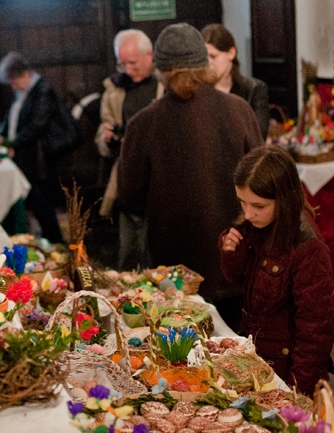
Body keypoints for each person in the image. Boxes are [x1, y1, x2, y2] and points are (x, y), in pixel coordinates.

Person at [117, 23, 264, 331]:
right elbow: (263, 179)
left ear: (161, 70)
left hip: (174, 274)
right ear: (203, 63)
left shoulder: (143, 123)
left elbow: (128, 196)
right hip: (235, 261)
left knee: (183, 354)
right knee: (238, 350)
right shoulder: (239, 111)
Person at [219, 145, 334, 397]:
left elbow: (316, 331)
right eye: (242, 202)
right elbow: (236, 278)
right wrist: (232, 252)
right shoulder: (256, 225)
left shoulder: (308, 248)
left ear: (284, 199)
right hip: (258, 358)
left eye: (258, 206)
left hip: (285, 369)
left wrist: (297, 392)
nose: (248, 213)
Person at [96, 29, 164, 271]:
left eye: (132, 63)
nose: (126, 70)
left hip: (160, 181)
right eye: (121, 64)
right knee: (129, 258)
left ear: (150, 56)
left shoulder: (164, 86)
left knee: (158, 257)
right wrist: (108, 139)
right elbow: (102, 137)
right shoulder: (114, 91)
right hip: (128, 182)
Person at [0, 52, 64, 244]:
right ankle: (46, 240)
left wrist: (12, 143)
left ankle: (56, 242)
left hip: (38, 159)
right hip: (26, 157)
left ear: (24, 74)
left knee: (42, 202)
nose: (13, 86)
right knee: (36, 202)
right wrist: (1, 134)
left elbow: (37, 125)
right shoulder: (23, 92)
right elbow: (10, 117)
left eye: (14, 81)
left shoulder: (42, 91)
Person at [201, 24, 270, 139]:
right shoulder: (200, 91)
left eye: (213, 56)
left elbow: (259, 135)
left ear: (231, 53)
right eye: (204, 58)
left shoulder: (254, 89)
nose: (209, 63)